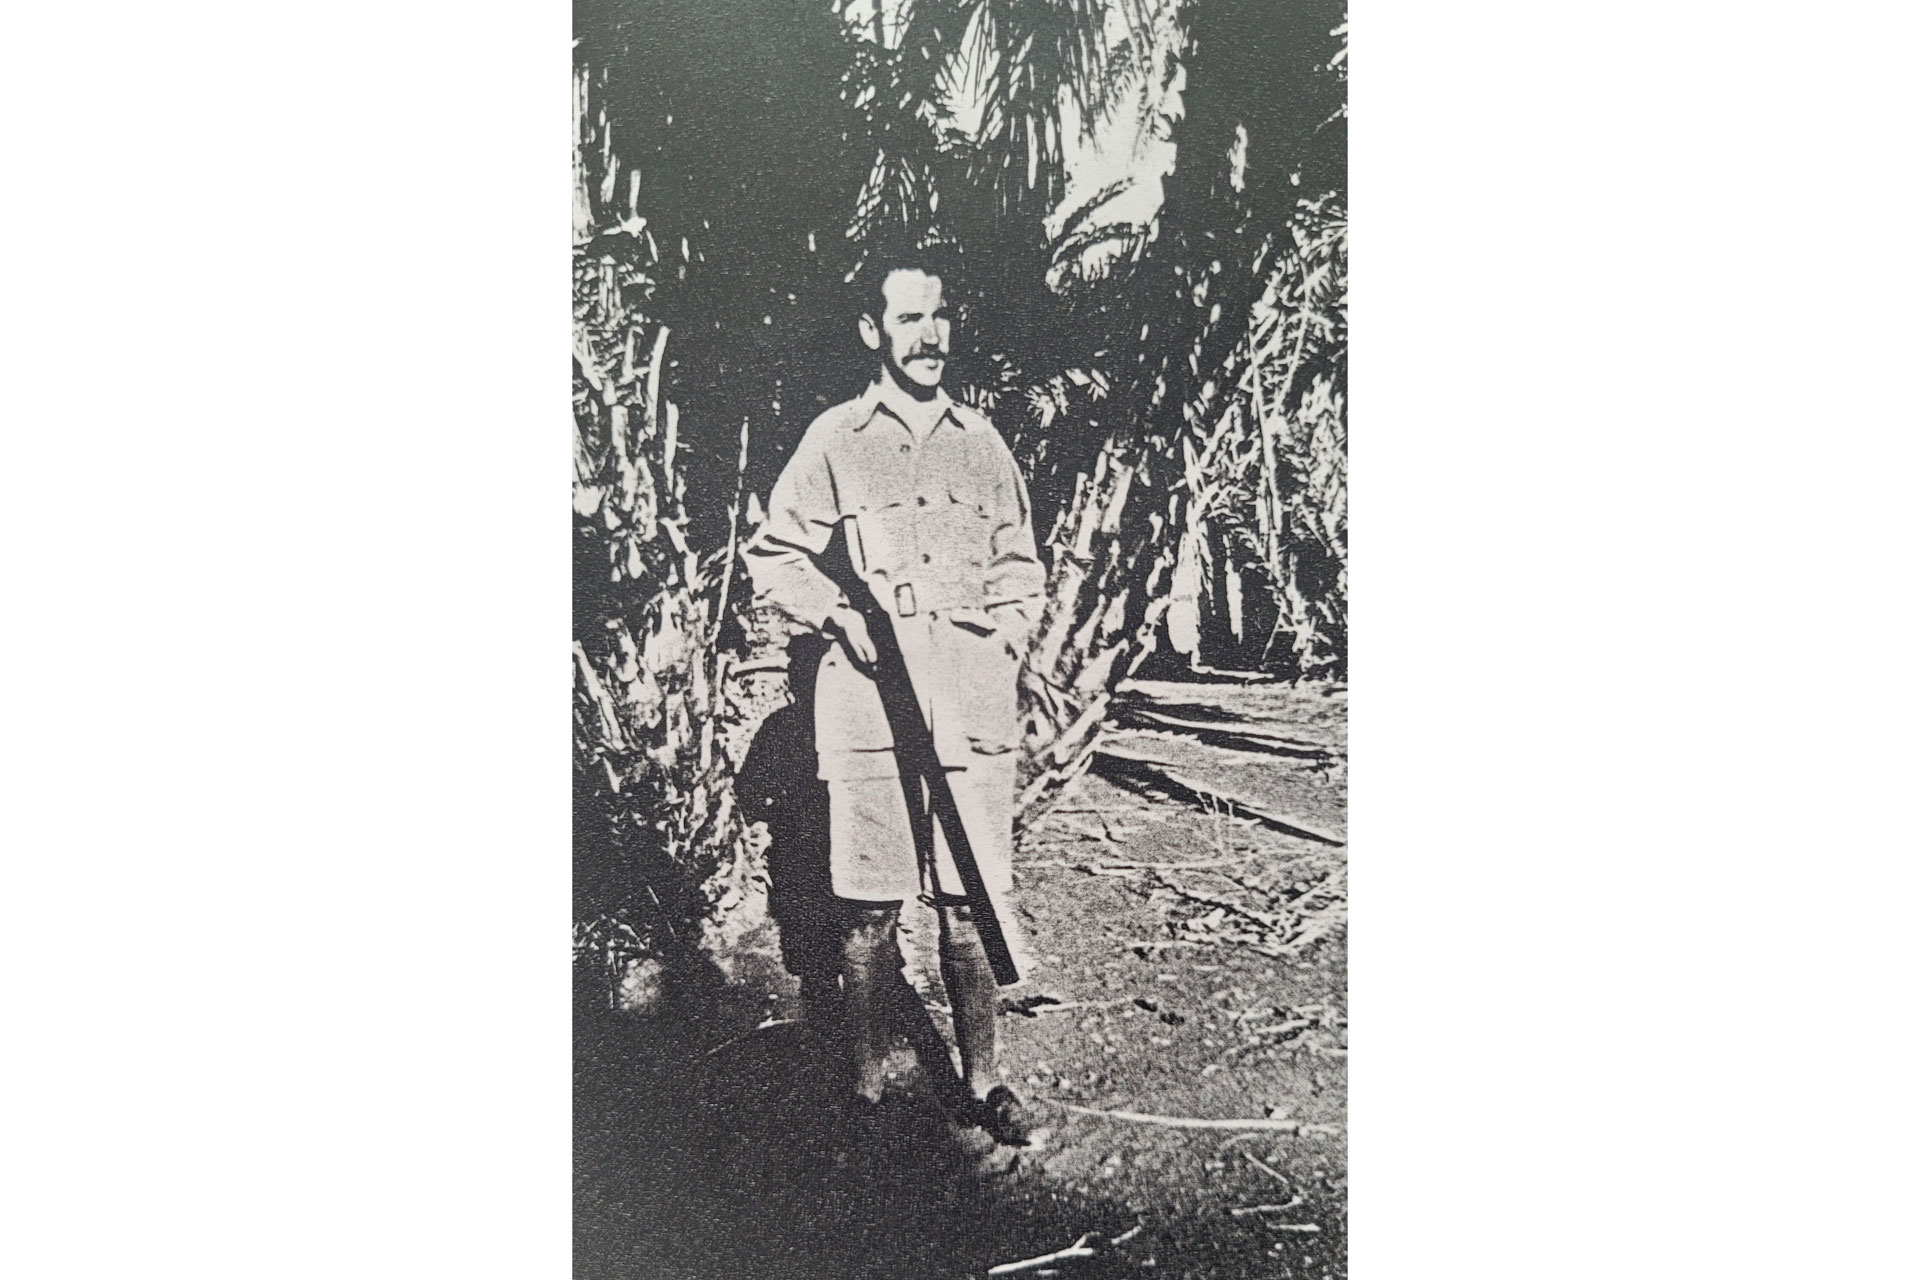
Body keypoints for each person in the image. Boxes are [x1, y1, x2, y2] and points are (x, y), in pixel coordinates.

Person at [743, 246, 1043, 1156]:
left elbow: (1018, 562)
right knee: (871, 905)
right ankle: (870, 1086)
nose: (930, 334)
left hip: (964, 702)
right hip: (870, 703)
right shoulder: (836, 438)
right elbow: (773, 551)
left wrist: (1004, 640)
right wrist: (840, 615)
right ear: (874, 331)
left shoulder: (981, 440)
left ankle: (984, 1084)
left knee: (967, 898)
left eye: (940, 315)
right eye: (909, 318)